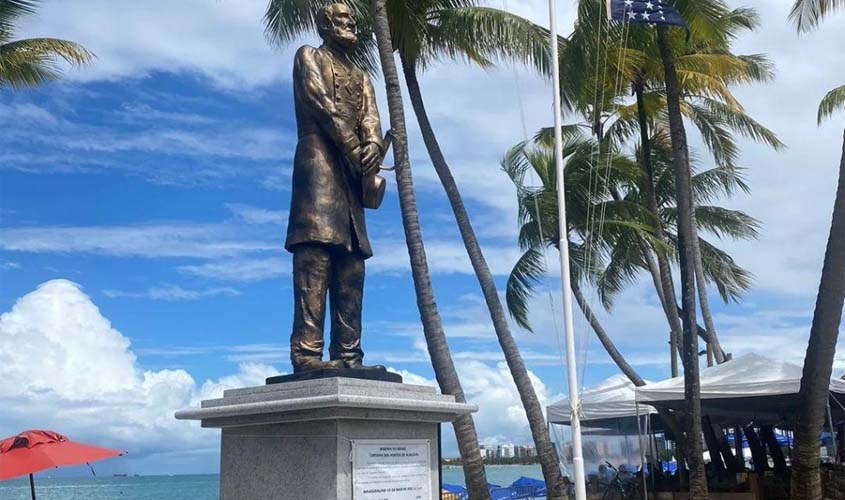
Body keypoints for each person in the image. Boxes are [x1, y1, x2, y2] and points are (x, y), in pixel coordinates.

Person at [287, 3, 385, 372]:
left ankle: (349, 355)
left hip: (351, 175)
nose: (351, 24)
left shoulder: (361, 76)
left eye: (351, 19)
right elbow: (322, 106)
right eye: (343, 19)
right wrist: (355, 148)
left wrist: (373, 145)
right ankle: (307, 355)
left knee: (352, 265)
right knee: (315, 257)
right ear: (326, 25)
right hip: (319, 164)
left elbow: (371, 117)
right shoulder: (309, 56)